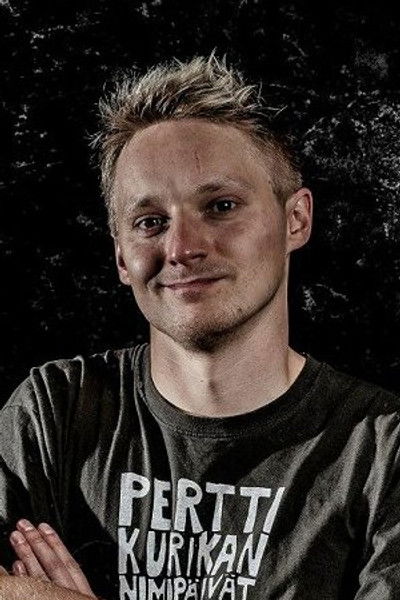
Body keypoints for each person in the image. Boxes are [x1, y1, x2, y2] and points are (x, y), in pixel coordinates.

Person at [0, 54, 400, 600]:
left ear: (296, 219)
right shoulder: (53, 411)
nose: (183, 247)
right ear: (121, 257)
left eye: (221, 206)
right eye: (150, 222)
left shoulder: (380, 452)